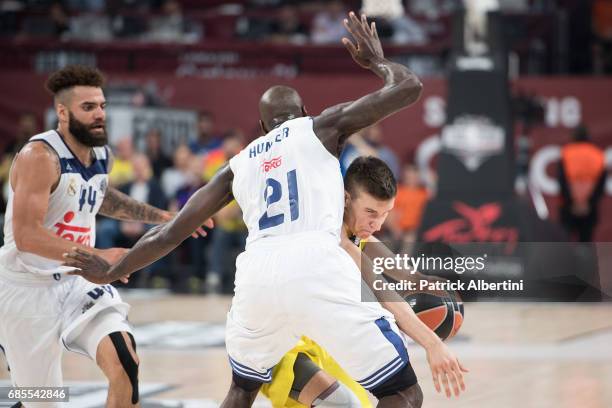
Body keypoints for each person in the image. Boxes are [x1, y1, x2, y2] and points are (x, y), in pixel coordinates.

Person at [64, 12, 465, 407]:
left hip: (256, 276)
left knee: (242, 390)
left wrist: (114, 268)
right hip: (315, 265)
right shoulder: (321, 128)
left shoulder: (238, 163)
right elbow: (408, 86)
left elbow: (172, 232)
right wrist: (377, 61)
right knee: (402, 393)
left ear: (260, 127)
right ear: (304, 114)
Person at [0, 64, 207, 408]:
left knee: (125, 364)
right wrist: (95, 255)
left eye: (102, 106)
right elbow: (26, 236)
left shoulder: (101, 155)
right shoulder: (38, 156)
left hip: (78, 281)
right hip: (27, 289)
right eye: (88, 108)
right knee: (41, 399)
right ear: (62, 112)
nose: (99, 115)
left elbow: (99, 195)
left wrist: (163, 217)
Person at [558, 125, 607, 242]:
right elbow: (601, 184)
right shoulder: (597, 154)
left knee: (565, 242)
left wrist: (572, 202)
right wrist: (588, 203)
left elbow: (562, 180)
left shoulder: (567, 153)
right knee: (586, 242)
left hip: (568, 208)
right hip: (589, 209)